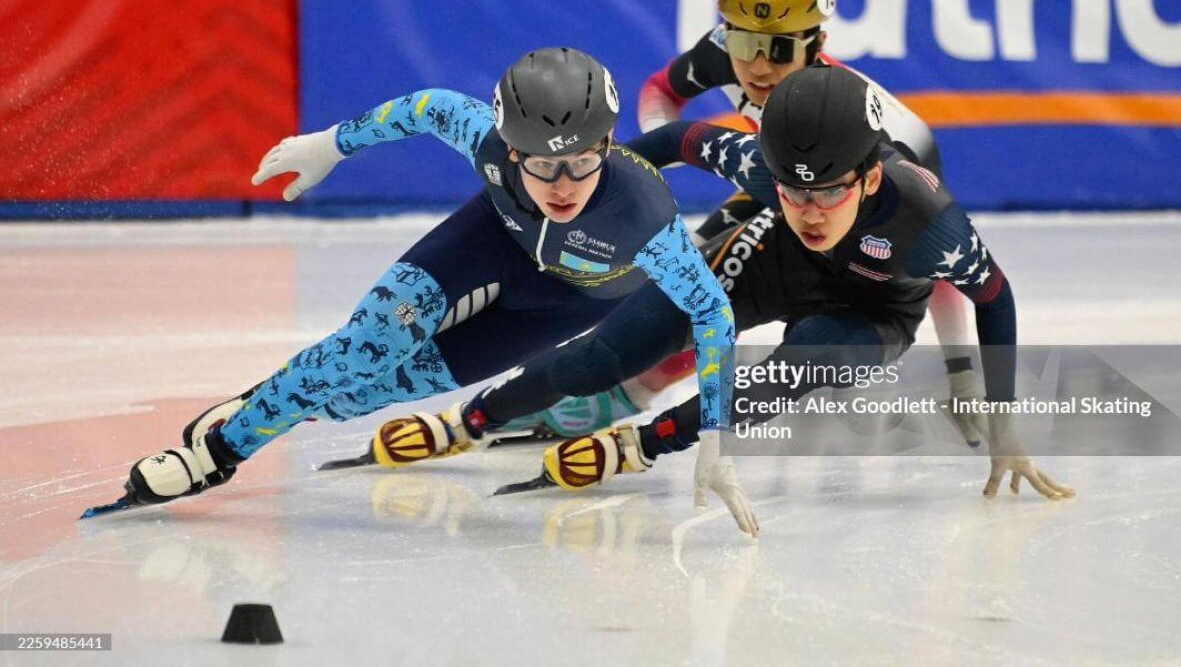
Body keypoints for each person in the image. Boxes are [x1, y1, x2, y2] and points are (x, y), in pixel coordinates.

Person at [109, 48, 738, 512]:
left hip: (561, 303)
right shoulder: (486, 141)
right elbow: (425, 107)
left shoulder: (645, 218)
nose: (565, 185)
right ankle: (216, 455)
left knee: (365, 392)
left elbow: (711, 314)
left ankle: (276, 400)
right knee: (368, 344)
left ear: (606, 143)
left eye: (583, 161)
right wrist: (332, 143)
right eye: (545, 166)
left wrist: (712, 430)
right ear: (512, 150)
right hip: (491, 239)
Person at [468, 66, 1075, 535]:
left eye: (828, 193)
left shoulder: (931, 224)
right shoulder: (763, 168)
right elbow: (677, 138)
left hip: (871, 312)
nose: (809, 210)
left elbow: (995, 297)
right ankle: (478, 415)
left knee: (800, 363)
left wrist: (1004, 424)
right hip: (774, 262)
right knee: (599, 359)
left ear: (866, 179)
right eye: (791, 190)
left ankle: (649, 444)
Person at [638, 0, 982, 433]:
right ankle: (625, 378)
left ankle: (640, 387)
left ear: (815, 43)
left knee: (757, 287)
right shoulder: (723, 51)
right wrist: (658, 174)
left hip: (835, 204)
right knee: (685, 268)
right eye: (744, 42)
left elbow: (938, 261)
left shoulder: (879, 137)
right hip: (785, 180)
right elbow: (660, 92)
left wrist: (962, 375)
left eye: (778, 50)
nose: (757, 67)